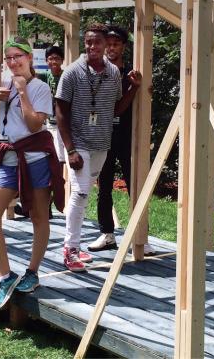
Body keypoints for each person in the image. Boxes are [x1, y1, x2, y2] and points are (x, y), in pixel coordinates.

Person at [0, 37, 64, 310]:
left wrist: (21, 92)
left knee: (38, 216)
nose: (12, 62)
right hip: (10, 161)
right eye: (8, 58)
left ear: (29, 58)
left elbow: (35, 126)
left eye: (17, 57)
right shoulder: (3, 82)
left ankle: (32, 272)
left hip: (36, 160)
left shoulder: (40, 87)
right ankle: (6, 276)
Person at [56, 23, 136, 272]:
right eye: (88, 42)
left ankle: (75, 247)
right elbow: (60, 110)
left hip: (102, 142)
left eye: (97, 42)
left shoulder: (113, 72)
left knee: (86, 191)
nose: (92, 46)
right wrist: (70, 149)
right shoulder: (71, 72)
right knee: (79, 194)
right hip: (79, 143)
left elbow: (116, 109)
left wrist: (133, 88)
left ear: (104, 44)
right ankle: (70, 248)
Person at [89, 26, 153, 255]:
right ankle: (107, 234)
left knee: (135, 186)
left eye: (116, 44)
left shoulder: (132, 75)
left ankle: (141, 237)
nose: (111, 48)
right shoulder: (97, 72)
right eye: (108, 44)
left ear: (123, 47)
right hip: (104, 137)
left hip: (127, 137)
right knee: (104, 187)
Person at [14, 44, 64, 219]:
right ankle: (41, 206)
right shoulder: (44, 76)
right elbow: (30, 76)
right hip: (50, 125)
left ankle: (49, 203)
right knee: (54, 164)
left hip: (64, 127)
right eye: (50, 59)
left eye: (56, 58)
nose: (53, 62)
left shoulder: (65, 77)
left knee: (58, 165)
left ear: (62, 60)